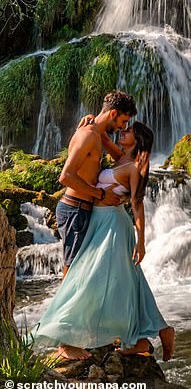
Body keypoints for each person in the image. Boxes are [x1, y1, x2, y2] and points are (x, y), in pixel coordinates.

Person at [33, 121, 175, 362]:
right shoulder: (120, 157)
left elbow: (137, 206)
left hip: (114, 226)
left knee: (96, 279)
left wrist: (141, 241)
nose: (122, 131)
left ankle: (76, 337)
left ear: (137, 140)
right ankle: (152, 333)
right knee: (129, 282)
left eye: (128, 130)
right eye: (123, 126)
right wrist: (91, 121)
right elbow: (101, 133)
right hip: (99, 221)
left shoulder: (135, 166)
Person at [57, 90, 137, 280]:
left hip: (82, 210)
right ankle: (60, 310)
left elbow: (122, 158)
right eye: (123, 121)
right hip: (75, 210)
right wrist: (100, 194)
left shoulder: (96, 134)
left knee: (82, 274)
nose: (123, 127)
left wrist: (103, 134)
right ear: (113, 114)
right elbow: (66, 176)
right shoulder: (88, 136)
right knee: (72, 274)